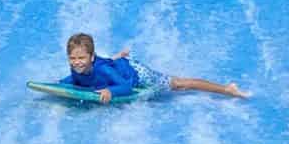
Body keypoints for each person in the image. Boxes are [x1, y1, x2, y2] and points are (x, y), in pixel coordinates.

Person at [62, 33, 249, 104]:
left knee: (179, 84)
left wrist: (111, 91)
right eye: (72, 58)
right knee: (107, 64)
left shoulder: (103, 70)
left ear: (91, 57)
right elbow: (75, 79)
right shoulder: (77, 67)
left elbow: (126, 86)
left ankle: (227, 89)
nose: (76, 62)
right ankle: (118, 57)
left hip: (137, 74)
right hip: (114, 65)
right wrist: (58, 84)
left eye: (81, 58)